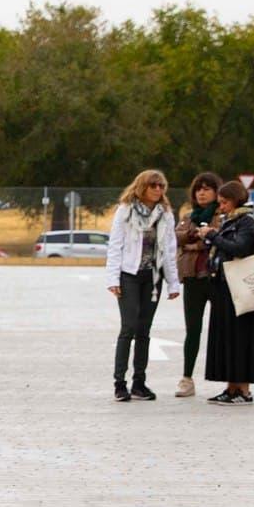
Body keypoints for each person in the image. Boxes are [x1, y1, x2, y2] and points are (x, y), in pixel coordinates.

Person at [104, 169, 178, 402]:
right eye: (153, 185)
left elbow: (169, 249)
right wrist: (113, 279)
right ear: (141, 187)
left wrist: (173, 282)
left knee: (144, 330)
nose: (158, 189)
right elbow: (115, 245)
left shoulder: (165, 214)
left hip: (153, 277)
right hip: (129, 275)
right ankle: (119, 383)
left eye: (161, 186)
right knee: (129, 327)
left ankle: (139, 382)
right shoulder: (125, 211)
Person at [201, 178, 254, 403]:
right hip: (223, 286)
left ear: (236, 200)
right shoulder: (230, 221)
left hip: (240, 287)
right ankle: (231, 387)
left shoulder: (247, 222)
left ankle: (243, 389)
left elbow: (240, 248)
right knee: (227, 337)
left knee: (241, 337)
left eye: (225, 202)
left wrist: (212, 236)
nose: (221, 207)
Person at [172, 172, 222, 396]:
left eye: (207, 189)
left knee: (222, 328)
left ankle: (228, 378)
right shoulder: (189, 216)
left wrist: (195, 240)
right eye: (198, 189)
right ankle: (187, 378)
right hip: (193, 277)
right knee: (192, 330)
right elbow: (177, 238)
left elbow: (219, 239)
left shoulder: (221, 215)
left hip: (216, 277)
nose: (201, 193)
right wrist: (199, 237)